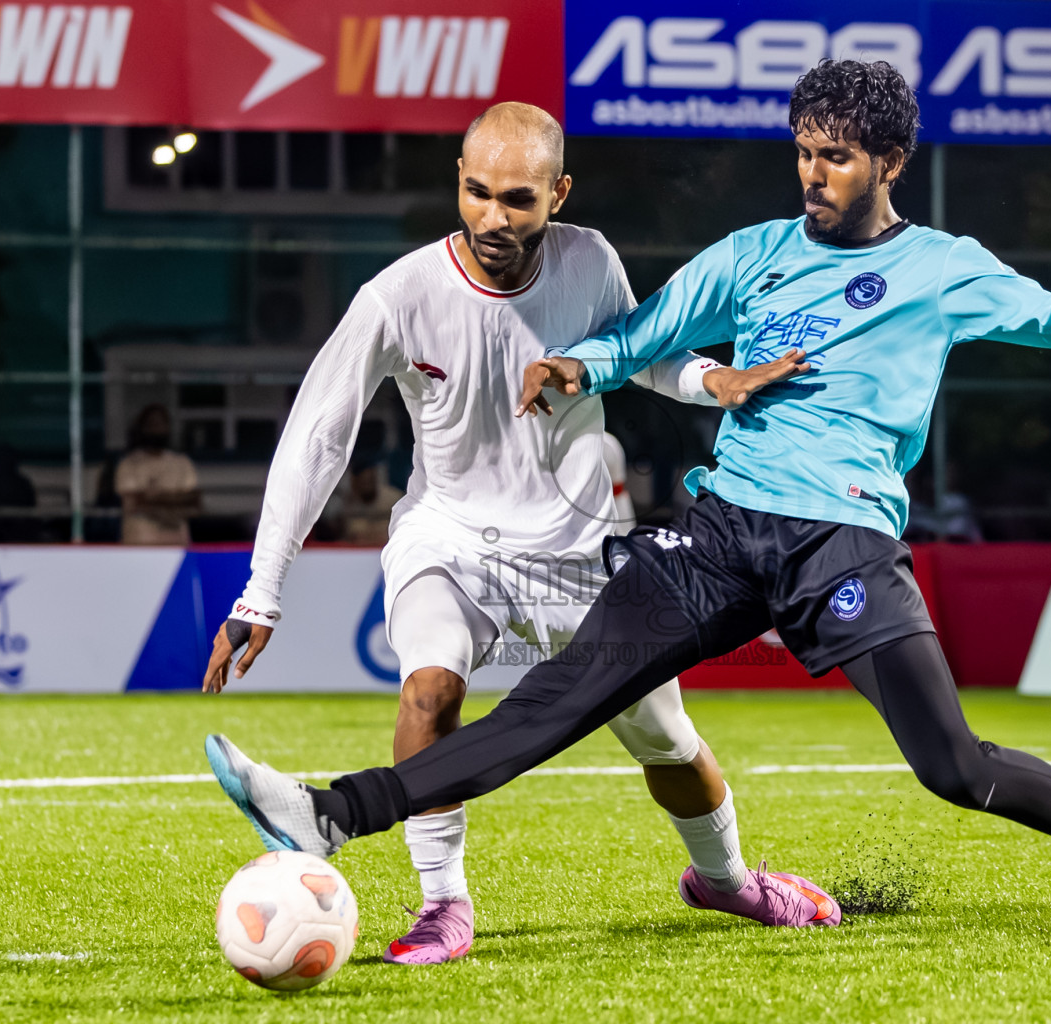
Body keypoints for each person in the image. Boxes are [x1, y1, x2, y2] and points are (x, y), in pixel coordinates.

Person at [204, 62, 1051, 945]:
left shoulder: (943, 268)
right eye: (803, 151)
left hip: (844, 545)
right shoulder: (755, 253)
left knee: (956, 766)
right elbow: (645, 332)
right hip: (721, 531)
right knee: (561, 696)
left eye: (835, 157)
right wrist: (581, 366)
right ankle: (334, 812)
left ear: (889, 162)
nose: (812, 174)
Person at [200, 102, 834, 966]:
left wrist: (714, 377)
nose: (493, 217)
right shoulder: (397, 296)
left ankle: (725, 880)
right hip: (449, 538)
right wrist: (261, 591)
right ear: (457, 182)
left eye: (518, 200)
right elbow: (318, 437)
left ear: (558, 195)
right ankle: (441, 906)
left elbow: (641, 348)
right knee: (430, 691)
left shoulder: (588, 261)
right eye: (476, 193)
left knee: (668, 743)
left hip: (578, 555)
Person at [114, 404, 200, 545]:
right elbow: (135, 502)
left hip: (177, 544)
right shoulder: (129, 464)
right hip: (140, 543)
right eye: (152, 424)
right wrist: (174, 500)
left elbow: (193, 501)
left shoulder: (182, 462)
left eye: (161, 424)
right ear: (142, 428)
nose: (157, 429)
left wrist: (153, 497)